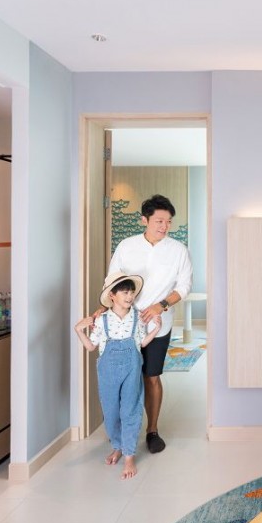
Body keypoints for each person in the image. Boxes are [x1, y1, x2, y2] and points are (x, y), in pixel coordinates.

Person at [102, 193, 193, 455]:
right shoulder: (126, 246)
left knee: (151, 377)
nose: (165, 226)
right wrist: (107, 309)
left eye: (169, 221)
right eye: (159, 221)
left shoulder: (178, 250)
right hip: (124, 323)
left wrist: (160, 305)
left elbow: (184, 286)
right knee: (123, 378)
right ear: (145, 220)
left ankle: (152, 430)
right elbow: (112, 280)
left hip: (157, 325)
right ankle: (121, 432)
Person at [75, 272, 161, 479]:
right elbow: (91, 346)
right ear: (112, 295)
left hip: (132, 369)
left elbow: (141, 343)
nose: (130, 296)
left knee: (130, 410)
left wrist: (156, 329)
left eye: (131, 292)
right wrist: (78, 330)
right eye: (124, 292)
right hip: (108, 372)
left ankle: (129, 455)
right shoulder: (101, 320)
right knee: (111, 411)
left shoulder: (137, 317)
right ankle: (118, 446)